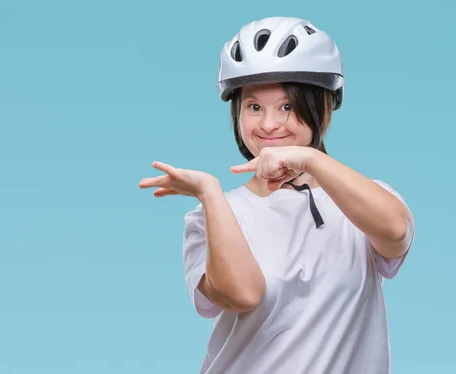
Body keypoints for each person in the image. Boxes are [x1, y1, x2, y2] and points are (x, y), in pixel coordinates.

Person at [139, 16, 414, 374]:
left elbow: (396, 233)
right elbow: (241, 294)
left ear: (322, 109)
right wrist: (210, 194)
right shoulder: (215, 214)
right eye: (254, 107)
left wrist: (310, 159)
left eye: (287, 106)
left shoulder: (360, 200)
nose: (269, 124)